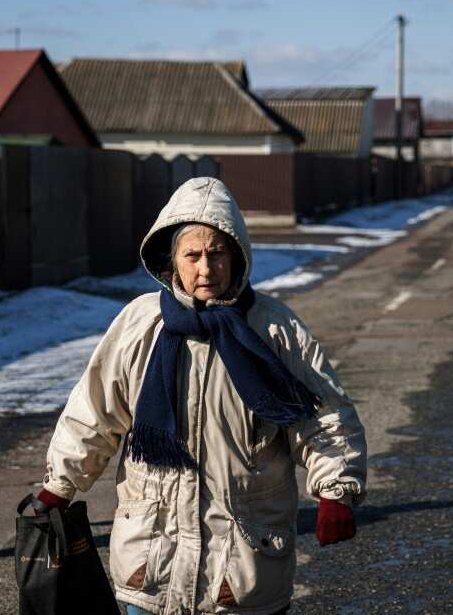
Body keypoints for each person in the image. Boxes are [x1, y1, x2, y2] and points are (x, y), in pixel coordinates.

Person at [34, 177, 367, 614]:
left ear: (237, 255)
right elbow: (95, 411)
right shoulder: (141, 324)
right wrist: (60, 485)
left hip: (243, 562)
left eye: (217, 253)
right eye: (192, 255)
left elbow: (323, 416)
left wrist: (335, 491)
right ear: (171, 262)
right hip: (150, 558)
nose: (205, 269)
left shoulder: (272, 328)